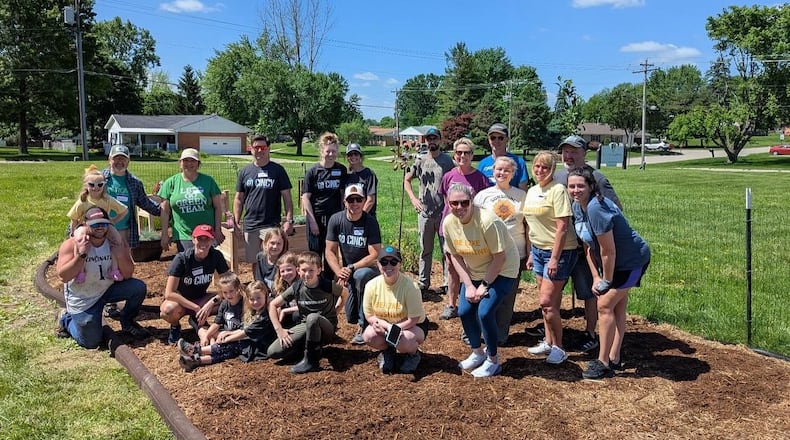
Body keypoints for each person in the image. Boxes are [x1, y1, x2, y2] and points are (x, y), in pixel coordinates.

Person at [567, 168, 650, 379]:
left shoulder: (596, 208)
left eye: (580, 186)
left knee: (604, 305)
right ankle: (614, 357)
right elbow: (587, 246)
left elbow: (608, 250)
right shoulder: (578, 207)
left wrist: (607, 280)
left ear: (591, 186)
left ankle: (602, 362)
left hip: (632, 261)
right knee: (617, 306)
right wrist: (596, 276)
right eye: (571, 186)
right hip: (612, 264)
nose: (575, 190)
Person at [549, 134, 623, 352]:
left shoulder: (597, 179)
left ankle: (590, 332)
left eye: (574, 152)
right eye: (566, 151)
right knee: (555, 289)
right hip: (563, 244)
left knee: (589, 292)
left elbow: (615, 210)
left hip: (585, 248)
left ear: (584, 154)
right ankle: (551, 331)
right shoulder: (559, 176)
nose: (569, 156)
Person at [444, 184, 520, 378]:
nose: (459, 207)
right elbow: (455, 256)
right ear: (448, 202)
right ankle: (478, 353)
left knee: (485, 312)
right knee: (464, 311)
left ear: (472, 202)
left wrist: (484, 286)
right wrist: (469, 285)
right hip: (476, 271)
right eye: (454, 203)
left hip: (503, 269)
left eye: (464, 202)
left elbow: (500, 257)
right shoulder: (449, 223)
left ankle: (493, 360)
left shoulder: (487, 221)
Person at [55, 207, 150, 348]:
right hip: (83, 297)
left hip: (107, 289)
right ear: (85, 224)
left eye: (103, 223)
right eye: (94, 224)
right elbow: (64, 276)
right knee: (91, 342)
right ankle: (66, 318)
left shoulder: (116, 242)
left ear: (109, 225)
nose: (99, 227)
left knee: (138, 288)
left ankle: (127, 321)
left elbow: (128, 273)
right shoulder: (72, 244)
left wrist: (119, 255)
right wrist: (82, 255)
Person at [522, 152, 579, 365]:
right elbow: (529, 225)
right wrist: (530, 253)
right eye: (537, 166)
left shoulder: (558, 190)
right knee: (549, 303)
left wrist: (554, 259)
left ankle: (559, 347)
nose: (539, 171)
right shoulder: (532, 190)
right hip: (538, 250)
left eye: (545, 167)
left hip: (560, 252)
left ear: (552, 169)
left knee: (546, 302)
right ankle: (548, 340)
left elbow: (562, 227)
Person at [101, 144, 163, 318]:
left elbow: (145, 202)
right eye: (116, 158)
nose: (119, 161)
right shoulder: (101, 179)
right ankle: (104, 300)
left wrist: (164, 210)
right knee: (103, 262)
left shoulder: (134, 182)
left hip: (124, 231)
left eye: (123, 158)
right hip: (102, 230)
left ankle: (119, 298)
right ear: (109, 160)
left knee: (121, 265)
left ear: (128, 161)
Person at [473, 156, 529, 345]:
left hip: (515, 253)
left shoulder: (522, 196)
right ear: (493, 171)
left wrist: (529, 253)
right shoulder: (482, 196)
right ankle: (483, 331)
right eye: (498, 169)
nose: (502, 173)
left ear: (513, 173)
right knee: (486, 293)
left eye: (507, 170)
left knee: (507, 296)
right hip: (489, 253)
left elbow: (528, 226)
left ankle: (501, 334)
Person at [268, 251, 349, 374]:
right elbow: (273, 304)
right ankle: (307, 347)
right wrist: (279, 330)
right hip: (306, 325)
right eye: (304, 270)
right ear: (298, 270)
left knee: (313, 318)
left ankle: (311, 360)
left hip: (326, 327)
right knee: (273, 352)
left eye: (311, 270)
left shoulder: (326, 285)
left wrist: (337, 309)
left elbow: (345, 293)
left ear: (319, 270)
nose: (307, 274)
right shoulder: (297, 287)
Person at [438, 137, 490, 320]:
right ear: (454, 154)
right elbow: (446, 199)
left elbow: (484, 203)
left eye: (466, 152)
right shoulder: (448, 176)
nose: (462, 156)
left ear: (472, 155)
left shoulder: (480, 178)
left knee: (471, 266)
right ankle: (451, 304)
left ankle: (472, 301)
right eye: (459, 152)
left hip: (472, 229)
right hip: (450, 228)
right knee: (452, 266)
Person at [325, 183, 382, 345]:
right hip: (349, 272)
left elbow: (375, 254)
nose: (355, 203)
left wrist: (351, 268)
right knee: (350, 316)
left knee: (360, 275)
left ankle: (364, 326)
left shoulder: (370, 222)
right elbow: (329, 251)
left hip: (369, 270)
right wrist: (339, 271)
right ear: (345, 202)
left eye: (358, 199)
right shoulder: (336, 220)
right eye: (351, 200)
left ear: (364, 201)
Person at [178, 280, 277, 371]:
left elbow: (245, 333)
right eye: (252, 299)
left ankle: (195, 350)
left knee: (230, 345)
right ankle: (195, 361)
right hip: (246, 342)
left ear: (266, 296)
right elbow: (243, 328)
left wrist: (227, 338)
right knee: (225, 351)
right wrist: (228, 333)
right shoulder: (251, 312)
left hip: (258, 347)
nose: (255, 302)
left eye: (258, 298)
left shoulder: (264, 316)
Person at [231, 135, 294, 274]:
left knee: (275, 259)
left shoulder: (278, 170)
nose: (259, 150)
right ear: (251, 149)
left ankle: (276, 288)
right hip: (251, 224)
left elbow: (287, 199)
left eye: (263, 147)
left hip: (271, 224)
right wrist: (236, 221)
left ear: (268, 149)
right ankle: (259, 289)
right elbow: (238, 199)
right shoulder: (245, 172)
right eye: (256, 147)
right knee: (255, 261)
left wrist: (289, 220)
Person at [403, 127, 455, 295]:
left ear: (440, 140)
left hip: (443, 212)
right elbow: (407, 180)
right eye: (428, 139)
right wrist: (413, 198)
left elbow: (455, 182)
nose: (431, 141)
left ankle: (448, 283)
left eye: (434, 138)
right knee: (425, 249)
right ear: (425, 141)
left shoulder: (448, 162)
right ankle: (424, 282)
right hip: (425, 213)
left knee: (446, 249)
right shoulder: (420, 160)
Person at [362, 245, 428, 374]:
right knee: (369, 336)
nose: (388, 265)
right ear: (378, 264)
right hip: (384, 325)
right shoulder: (371, 285)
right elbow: (369, 315)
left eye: (393, 262)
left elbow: (413, 319)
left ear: (400, 264)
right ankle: (388, 352)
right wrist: (384, 326)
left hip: (411, 326)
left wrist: (394, 329)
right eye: (384, 262)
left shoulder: (411, 287)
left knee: (404, 340)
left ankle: (413, 355)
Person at [160, 224, 231, 345]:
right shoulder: (182, 258)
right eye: (199, 239)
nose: (203, 242)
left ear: (212, 240)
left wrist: (211, 302)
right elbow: (169, 293)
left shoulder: (216, 256)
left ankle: (200, 320)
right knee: (167, 311)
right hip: (181, 301)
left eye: (207, 239)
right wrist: (196, 308)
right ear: (193, 239)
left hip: (202, 298)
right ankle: (175, 326)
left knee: (231, 299)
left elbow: (230, 285)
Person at [67, 165, 127, 284]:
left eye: (99, 185)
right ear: (86, 186)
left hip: (104, 225)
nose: (95, 188)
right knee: (79, 240)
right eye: (92, 185)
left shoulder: (107, 199)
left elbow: (124, 210)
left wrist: (113, 221)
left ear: (104, 185)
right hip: (86, 226)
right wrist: (72, 233)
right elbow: (74, 219)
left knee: (117, 240)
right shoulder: (83, 201)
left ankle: (114, 269)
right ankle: (80, 271)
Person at [158, 148, 225, 253]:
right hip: (184, 235)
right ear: (180, 163)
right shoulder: (170, 183)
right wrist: (165, 234)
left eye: (193, 160)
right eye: (185, 160)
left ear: (198, 164)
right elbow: (165, 211)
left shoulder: (208, 181)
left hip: (206, 232)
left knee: (209, 265)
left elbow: (218, 207)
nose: (189, 163)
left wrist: (218, 230)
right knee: (189, 265)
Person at [302, 132, 348, 279]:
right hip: (316, 217)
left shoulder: (341, 170)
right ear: (321, 151)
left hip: (334, 218)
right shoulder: (313, 172)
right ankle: (314, 282)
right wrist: (312, 222)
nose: (330, 154)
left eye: (333, 151)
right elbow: (306, 198)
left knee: (332, 252)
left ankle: (328, 283)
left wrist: (343, 216)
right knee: (315, 254)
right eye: (327, 151)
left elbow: (343, 195)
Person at [477, 123, 531, 190]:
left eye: (500, 138)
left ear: (507, 139)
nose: (496, 141)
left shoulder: (519, 162)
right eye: (493, 138)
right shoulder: (483, 164)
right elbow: (479, 189)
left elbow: (523, 189)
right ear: (489, 140)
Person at [196, 271, 245, 346]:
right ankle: (211, 342)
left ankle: (201, 349)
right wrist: (206, 336)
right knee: (204, 330)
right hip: (225, 332)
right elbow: (217, 323)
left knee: (217, 335)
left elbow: (245, 329)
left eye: (231, 291)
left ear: (238, 289)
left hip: (237, 334)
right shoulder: (224, 304)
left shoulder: (244, 304)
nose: (228, 295)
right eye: (225, 292)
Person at [345, 143, 378, 217]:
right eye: (350, 154)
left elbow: (371, 200)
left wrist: (360, 216)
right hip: (350, 217)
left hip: (366, 216)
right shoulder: (346, 175)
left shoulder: (369, 174)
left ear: (360, 156)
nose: (353, 157)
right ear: (347, 157)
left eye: (356, 154)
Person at [271, 251, 300, 325]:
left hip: (299, 317)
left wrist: (286, 310)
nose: (286, 273)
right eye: (282, 271)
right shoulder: (278, 286)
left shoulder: (302, 284)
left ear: (297, 269)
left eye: (289, 270)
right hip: (285, 319)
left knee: (296, 315)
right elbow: (275, 305)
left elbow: (307, 306)